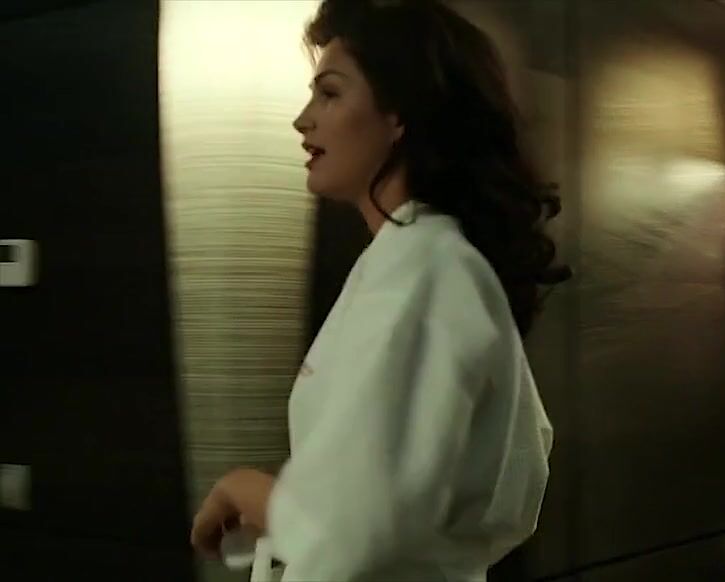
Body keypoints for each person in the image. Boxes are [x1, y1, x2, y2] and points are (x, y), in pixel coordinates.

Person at [188, 0, 568, 580]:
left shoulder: (427, 268)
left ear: (399, 115)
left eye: (330, 94)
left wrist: (250, 492)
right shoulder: (414, 261)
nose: (302, 120)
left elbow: (363, 532)